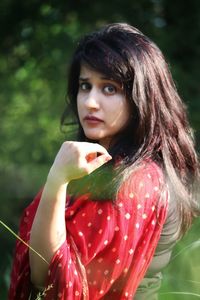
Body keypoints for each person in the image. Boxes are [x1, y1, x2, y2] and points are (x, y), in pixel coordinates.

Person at [9, 23, 199, 300]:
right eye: (85, 86)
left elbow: (50, 282)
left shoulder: (136, 181)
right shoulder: (103, 164)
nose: (90, 102)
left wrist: (57, 180)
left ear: (141, 97)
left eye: (109, 89)